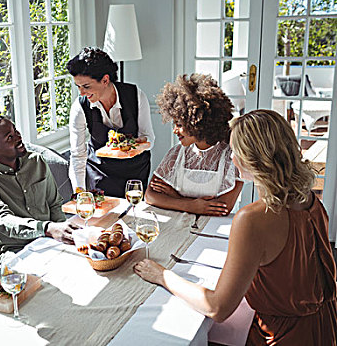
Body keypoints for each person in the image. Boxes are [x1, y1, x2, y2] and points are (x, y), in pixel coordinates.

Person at [134, 110, 337, 344]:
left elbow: (217, 307)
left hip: (280, 337)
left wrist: (161, 275)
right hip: (324, 328)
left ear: (254, 158)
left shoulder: (253, 218)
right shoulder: (311, 201)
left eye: (234, 151)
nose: (231, 158)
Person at [0, 115, 78, 260]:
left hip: (51, 240)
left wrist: (62, 233)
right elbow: (3, 221)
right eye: (9, 137)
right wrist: (46, 229)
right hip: (16, 251)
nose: (18, 137)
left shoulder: (36, 161)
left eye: (15, 131)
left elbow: (54, 203)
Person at [145, 73, 243, 215]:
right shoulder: (177, 153)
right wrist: (191, 206)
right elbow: (150, 195)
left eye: (179, 124)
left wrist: (175, 197)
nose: (174, 130)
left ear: (197, 122)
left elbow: (223, 208)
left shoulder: (230, 155)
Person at [66, 47, 155, 198]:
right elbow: (78, 155)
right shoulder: (79, 107)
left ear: (105, 80)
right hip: (100, 176)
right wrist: (79, 192)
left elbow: (149, 138)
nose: (81, 93)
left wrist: (137, 145)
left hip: (135, 176)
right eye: (78, 87)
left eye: (86, 86)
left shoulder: (136, 96)